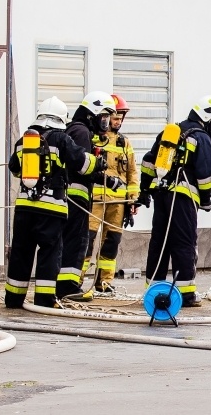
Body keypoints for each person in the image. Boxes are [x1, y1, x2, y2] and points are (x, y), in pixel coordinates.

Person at [4, 96, 103, 308]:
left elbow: (14, 168)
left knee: (21, 252)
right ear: (61, 119)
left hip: (24, 207)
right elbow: (82, 163)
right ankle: (45, 300)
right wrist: (98, 162)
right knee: (49, 253)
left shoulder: (24, 141)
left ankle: (13, 299)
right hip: (51, 209)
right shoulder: (61, 138)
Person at [138, 95, 211, 307]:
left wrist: (145, 190)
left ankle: (153, 289)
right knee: (184, 243)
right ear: (206, 118)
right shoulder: (200, 137)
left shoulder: (170, 133)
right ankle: (186, 293)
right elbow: (206, 174)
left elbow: (148, 162)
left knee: (159, 242)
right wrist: (206, 201)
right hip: (183, 198)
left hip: (161, 196)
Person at [56, 91, 120, 300]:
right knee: (77, 241)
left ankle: (66, 285)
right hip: (77, 196)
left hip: (72, 195)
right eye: (104, 117)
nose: (107, 122)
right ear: (93, 114)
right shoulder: (81, 132)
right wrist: (104, 175)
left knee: (72, 241)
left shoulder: (75, 130)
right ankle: (69, 288)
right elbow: (83, 167)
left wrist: (107, 180)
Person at [83, 95, 140, 292]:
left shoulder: (124, 143)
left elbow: (132, 173)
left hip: (118, 203)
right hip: (94, 201)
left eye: (121, 118)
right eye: (116, 117)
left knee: (111, 244)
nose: (118, 122)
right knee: (86, 241)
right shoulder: (92, 138)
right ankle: (76, 280)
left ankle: (104, 282)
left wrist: (133, 200)